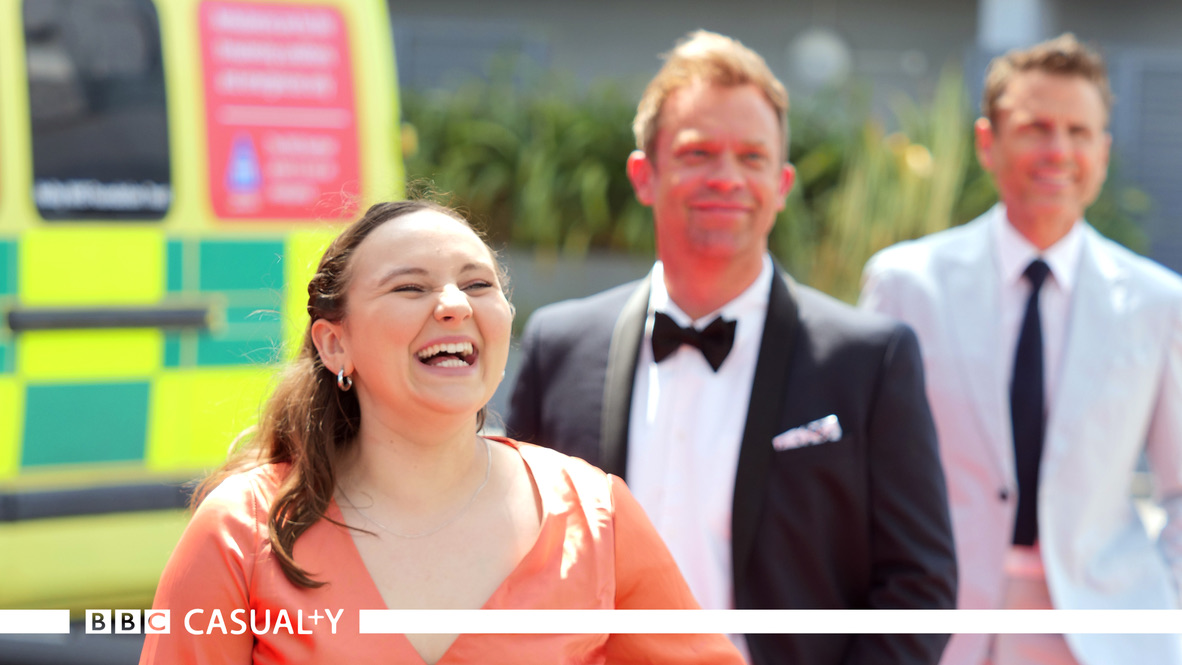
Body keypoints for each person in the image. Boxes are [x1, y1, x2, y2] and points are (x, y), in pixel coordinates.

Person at [506, 30, 957, 665]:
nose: (727, 178)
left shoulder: (870, 360)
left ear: (782, 183)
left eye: (752, 157)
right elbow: (512, 553)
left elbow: (920, 585)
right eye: (697, 153)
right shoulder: (561, 345)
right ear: (645, 175)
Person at [139, 200, 745, 665]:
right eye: (410, 287)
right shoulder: (240, 528)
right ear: (334, 342)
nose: (454, 304)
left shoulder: (597, 515)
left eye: (478, 285)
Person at [860, 33, 1182, 665]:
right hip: (936, 619)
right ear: (989, 141)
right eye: (1036, 127)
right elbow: (861, 471)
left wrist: (1164, 606)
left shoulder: (1159, 303)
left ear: (1103, 151)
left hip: (1105, 630)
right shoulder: (904, 284)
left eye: (1078, 131)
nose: (1057, 151)